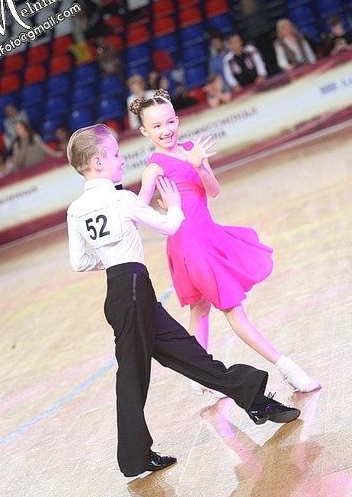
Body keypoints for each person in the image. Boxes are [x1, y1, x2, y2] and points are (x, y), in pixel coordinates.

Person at [66, 124, 300, 479]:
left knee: (189, 355)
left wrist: (114, 259)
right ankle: (135, 458)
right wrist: (175, 206)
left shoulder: (76, 210)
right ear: (98, 162)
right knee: (131, 377)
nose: (121, 160)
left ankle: (254, 400)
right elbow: (170, 226)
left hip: (123, 290)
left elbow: (80, 262)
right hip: (134, 290)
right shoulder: (121, 199)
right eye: (115, 154)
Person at [131, 90, 321, 396]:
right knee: (233, 310)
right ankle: (288, 368)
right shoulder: (154, 168)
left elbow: (214, 190)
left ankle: (200, 377)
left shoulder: (191, 150)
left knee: (200, 309)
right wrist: (168, 210)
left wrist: (198, 165)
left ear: (177, 119)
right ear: (144, 131)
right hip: (190, 244)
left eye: (169, 122)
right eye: (156, 126)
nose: (166, 130)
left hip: (207, 234)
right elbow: (138, 209)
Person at [238, 0, 278, 75]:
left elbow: (244, 23)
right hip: (264, 31)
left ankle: (267, 69)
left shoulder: (242, 9)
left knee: (262, 53)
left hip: (255, 35)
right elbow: (266, 14)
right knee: (269, 50)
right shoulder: (257, 2)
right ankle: (274, 67)